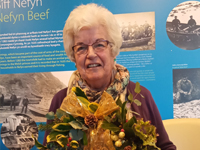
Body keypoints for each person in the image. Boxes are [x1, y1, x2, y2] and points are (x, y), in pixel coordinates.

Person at [43, 3, 176, 150]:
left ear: (113, 50)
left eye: (99, 45)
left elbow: (165, 147)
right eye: (81, 47)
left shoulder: (140, 96)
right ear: (73, 56)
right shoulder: (61, 101)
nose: (91, 54)